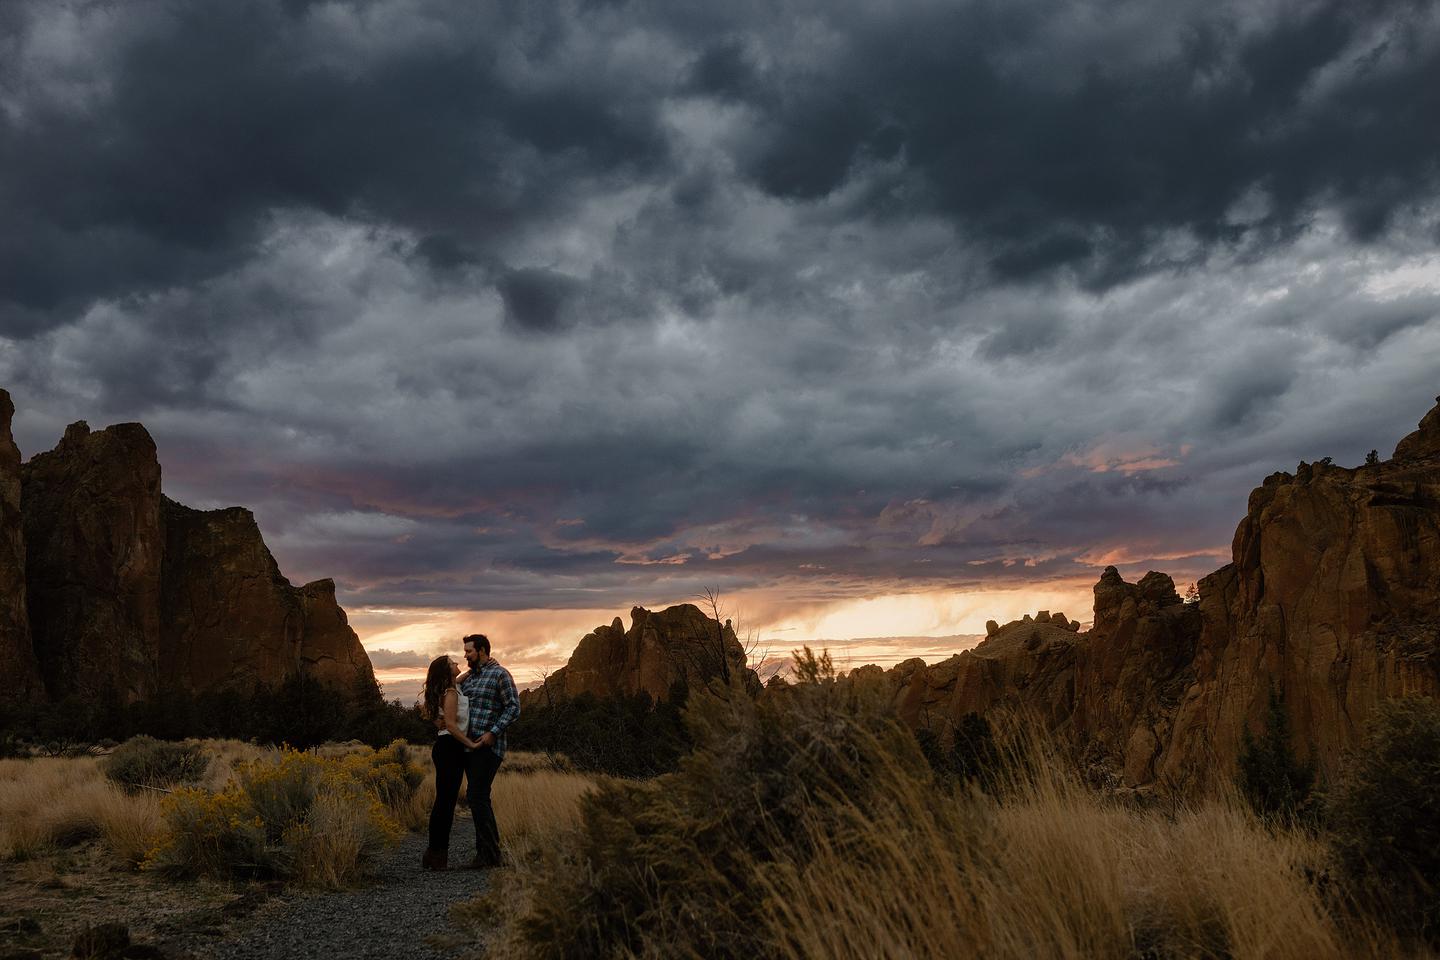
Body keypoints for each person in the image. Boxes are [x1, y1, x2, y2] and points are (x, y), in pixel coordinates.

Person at [455, 633, 520, 868]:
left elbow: (513, 707)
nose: (465, 655)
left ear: (482, 651)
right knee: (478, 797)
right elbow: (451, 688)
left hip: (489, 746)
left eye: (469, 651)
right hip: (470, 747)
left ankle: (488, 855)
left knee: (477, 795)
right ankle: (489, 853)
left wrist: (493, 732)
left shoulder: (500, 674)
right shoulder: (471, 678)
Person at [419, 654, 480, 870]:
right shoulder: (452, 693)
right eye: (453, 663)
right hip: (450, 748)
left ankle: (433, 853)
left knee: (444, 801)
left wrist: (478, 665)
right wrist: (471, 745)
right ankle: (436, 855)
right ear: (447, 671)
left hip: (448, 748)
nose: (457, 664)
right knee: (445, 803)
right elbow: (452, 727)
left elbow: (462, 677)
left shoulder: (455, 687)